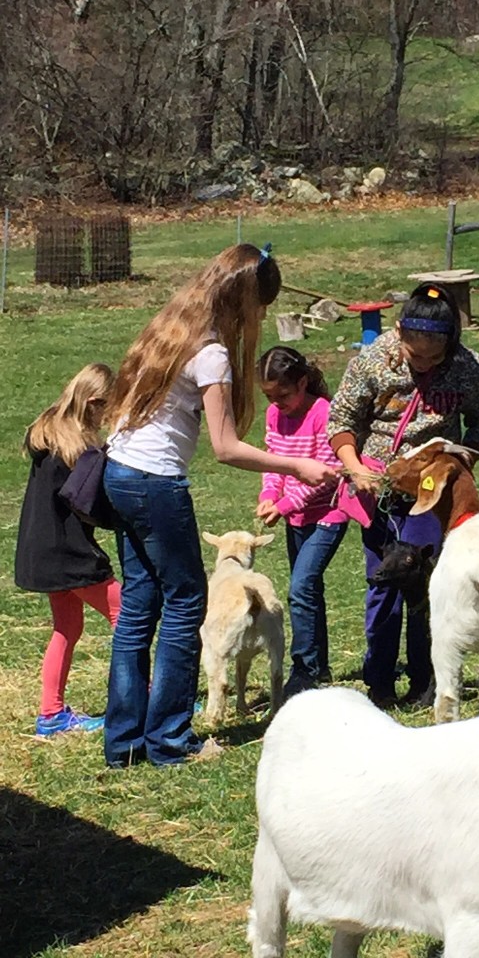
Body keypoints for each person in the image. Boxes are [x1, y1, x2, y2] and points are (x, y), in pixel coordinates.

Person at [102, 243, 337, 768]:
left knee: (140, 606)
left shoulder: (167, 329)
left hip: (119, 472)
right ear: (246, 302)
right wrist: (295, 466)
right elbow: (225, 446)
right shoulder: (209, 350)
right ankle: (169, 740)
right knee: (187, 604)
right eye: (262, 309)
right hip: (157, 483)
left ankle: (124, 742)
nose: (261, 319)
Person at [327, 282, 479, 708]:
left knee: (431, 586)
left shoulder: (467, 369)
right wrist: (354, 466)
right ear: (400, 331)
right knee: (384, 585)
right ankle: (380, 680)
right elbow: (341, 419)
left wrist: (461, 463)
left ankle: (427, 679)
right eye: (412, 352)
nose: (421, 362)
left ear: (449, 343)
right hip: (377, 492)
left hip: (432, 496)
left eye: (432, 355)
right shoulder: (373, 360)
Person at [15, 363, 121, 737]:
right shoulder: (77, 447)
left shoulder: (48, 431)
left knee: (67, 627)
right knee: (127, 617)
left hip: (41, 550)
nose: (108, 418)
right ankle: (142, 697)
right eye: (107, 409)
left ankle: (51, 713)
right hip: (68, 554)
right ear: (93, 402)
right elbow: (88, 503)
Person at [256, 347, 347, 698]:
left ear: (303, 383)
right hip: (294, 515)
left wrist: (284, 503)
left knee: (300, 588)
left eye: (284, 394)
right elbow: (272, 461)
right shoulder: (274, 416)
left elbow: (327, 475)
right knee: (308, 590)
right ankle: (320, 666)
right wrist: (269, 495)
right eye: (269, 396)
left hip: (328, 512)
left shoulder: (324, 413)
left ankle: (304, 668)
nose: (277, 403)